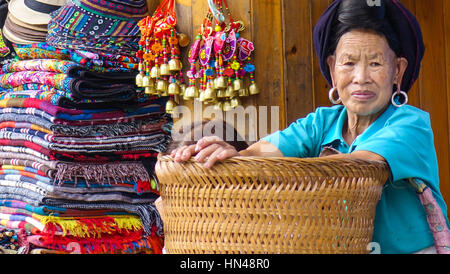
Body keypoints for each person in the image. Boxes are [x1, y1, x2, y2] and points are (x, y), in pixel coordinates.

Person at [171, 0, 450, 254]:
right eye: (348, 63)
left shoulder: (410, 124)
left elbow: (359, 167)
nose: (360, 77)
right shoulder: (322, 123)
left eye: (375, 63)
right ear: (332, 69)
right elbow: (267, 152)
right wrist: (232, 156)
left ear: (398, 71)